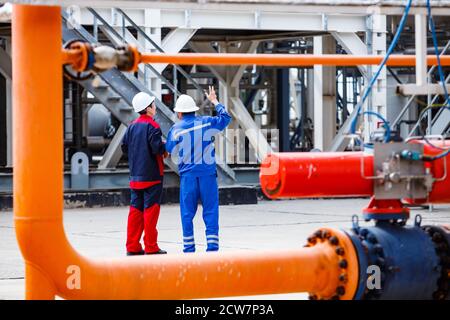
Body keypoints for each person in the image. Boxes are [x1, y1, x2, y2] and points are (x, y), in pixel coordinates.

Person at [166, 86, 231, 253]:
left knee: (187, 214)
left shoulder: (175, 130)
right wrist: (214, 101)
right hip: (208, 176)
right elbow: (225, 118)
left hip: (188, 177)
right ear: (194, 111)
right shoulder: (206, 122)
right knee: (210, 211)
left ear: (179, 113)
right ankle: (212, 248)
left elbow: (167, 150)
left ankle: (189, 248)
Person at [121, 92, 167, 255]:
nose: (155, 107)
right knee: (150, 211)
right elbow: (157, 148)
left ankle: (132, 247)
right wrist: (165, 146)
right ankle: (151, 246)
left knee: (135, 210)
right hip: (153, 176)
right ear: (148, 108)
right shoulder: (153, 126)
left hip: (135, 176)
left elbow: (124, 147)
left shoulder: (131, 126)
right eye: (153, 105)